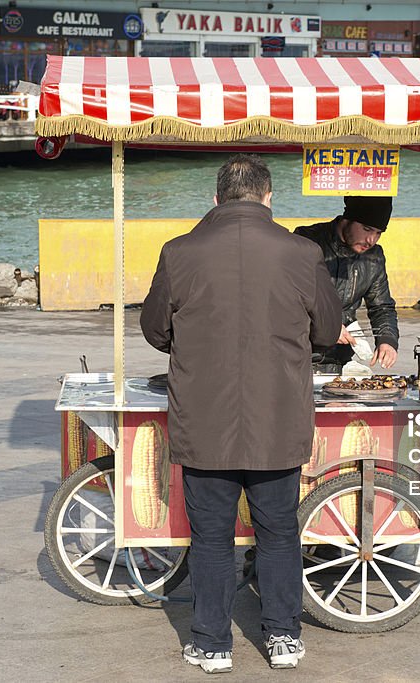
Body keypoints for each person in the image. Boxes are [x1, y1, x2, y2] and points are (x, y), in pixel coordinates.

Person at [140, 154, 341, 674]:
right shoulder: (302, 252)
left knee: (211, 537)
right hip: (277, 420)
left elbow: (155, 330)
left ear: (216, 199)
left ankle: (211, 645)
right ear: (268, 198)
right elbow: (326, 332)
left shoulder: (179, 252)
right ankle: (283, 639)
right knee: (278, 532)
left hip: (204, 423)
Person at [294, 195, 399, 372]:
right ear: (347, 219)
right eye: (367, 229)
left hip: (339, 360)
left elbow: (382, 307)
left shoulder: (374, 257)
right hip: (299, 356)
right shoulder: (306, 241)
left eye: (378, 233)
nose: (371, 240)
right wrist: (326, 327)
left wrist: (387, 341)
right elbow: (286, 303)